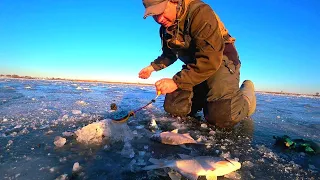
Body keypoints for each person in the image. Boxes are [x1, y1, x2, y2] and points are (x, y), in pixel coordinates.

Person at [138, 0, 256, 128]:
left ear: (174, 1)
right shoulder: (166, 29)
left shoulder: (200, 12)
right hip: (195, 67)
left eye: (161, 11)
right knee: (175, 108)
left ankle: (246, 97)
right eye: (154, 15)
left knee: (221, 116)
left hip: (221, 60)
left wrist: (176, 82)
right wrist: (151, 68)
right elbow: (169, 55)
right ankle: (206, 95)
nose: (159, 19)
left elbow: (210, 60)